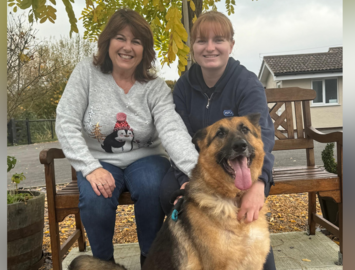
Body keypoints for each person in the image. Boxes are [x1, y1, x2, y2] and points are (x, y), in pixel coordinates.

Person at [55, 9, 198, 267]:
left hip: (146, 158)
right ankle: (103, 264)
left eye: (136, 41)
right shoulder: (87, 73)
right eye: (120, 38)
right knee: (96, 198)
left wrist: (197, 174)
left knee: (153, 186)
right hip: (98, 160)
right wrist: (90, 168)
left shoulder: (154, 87)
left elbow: (172, 129)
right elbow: (66, 121)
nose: (127, 47)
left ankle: (151, 261)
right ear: (108, 42)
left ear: (145, 49)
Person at [159, 10, 277, 269]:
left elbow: (263, 136)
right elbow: (178, 137)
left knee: (250, 211)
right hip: (194, 165)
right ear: (192, 47)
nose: (210, 47)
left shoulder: (247, 84)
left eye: (219, 40)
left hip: (243, 167)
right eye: (202, 41)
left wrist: (260, 184)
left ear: (231, 45)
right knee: (168, 192)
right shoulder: (183, 87)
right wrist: (186, 181)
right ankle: (177, 258)